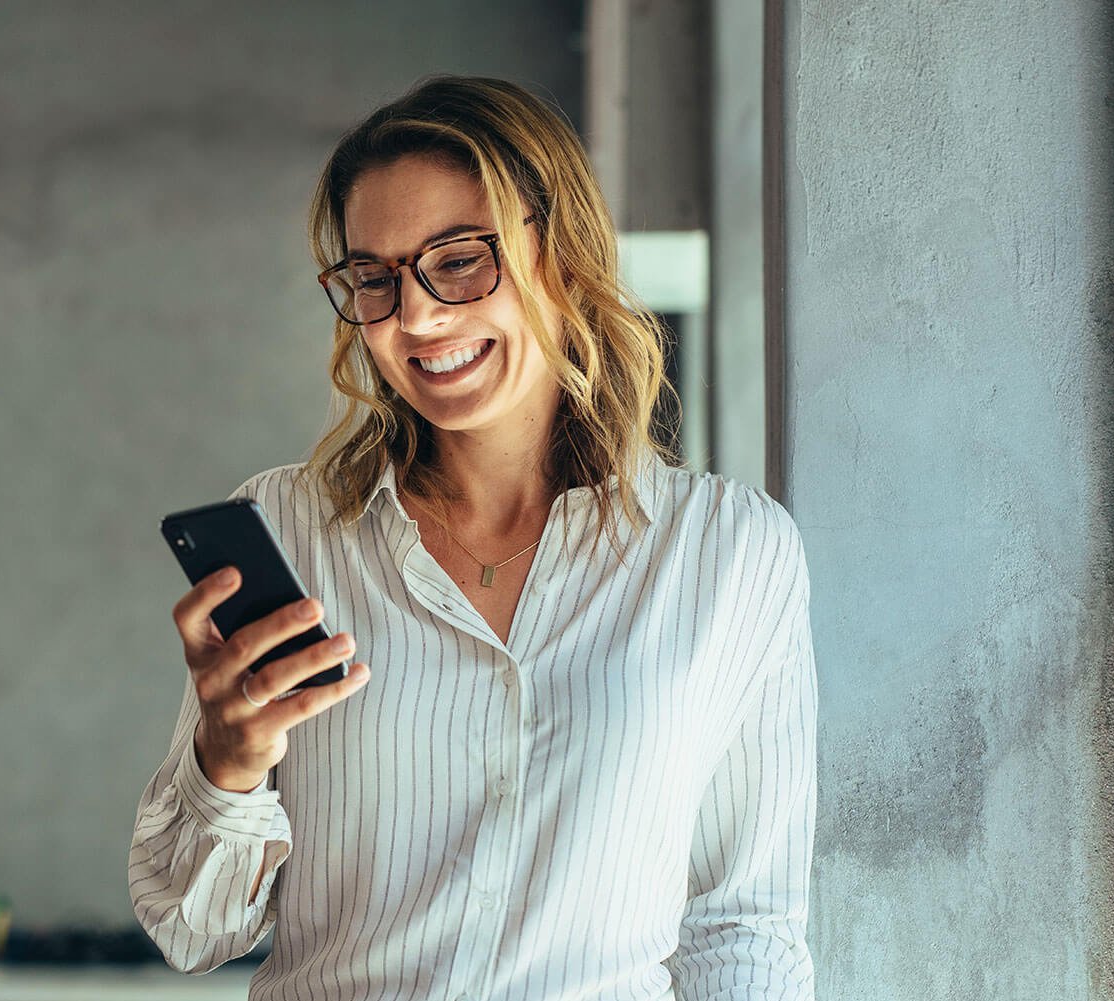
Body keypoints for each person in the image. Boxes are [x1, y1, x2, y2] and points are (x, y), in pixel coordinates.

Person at [127, 75, 817, 1001]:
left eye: (458, 259)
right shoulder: (292, 532)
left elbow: (743, 925)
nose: (415, 317)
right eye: (374, 278)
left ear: (561, 252)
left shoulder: (732, 554)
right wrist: (229, 765)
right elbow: (190, 927)